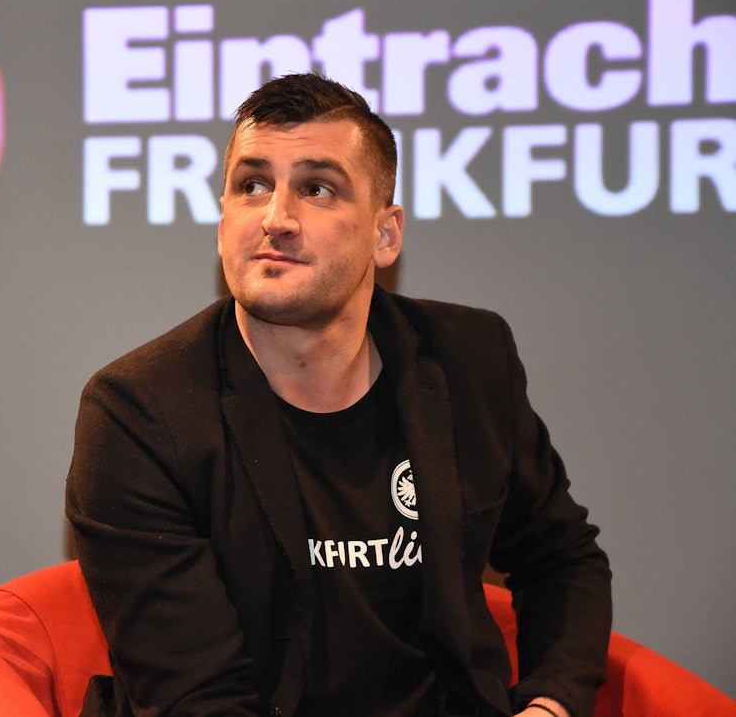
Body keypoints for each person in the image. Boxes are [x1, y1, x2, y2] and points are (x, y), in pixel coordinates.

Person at [66, 73, 611, 717]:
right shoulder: (137, 415)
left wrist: (549, 706)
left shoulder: (468, 360)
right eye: (252, 185)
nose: (275, 219)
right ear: (222, 221)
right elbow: (201, 702)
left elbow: (561, 558)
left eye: (317, 188)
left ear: (385, 235)